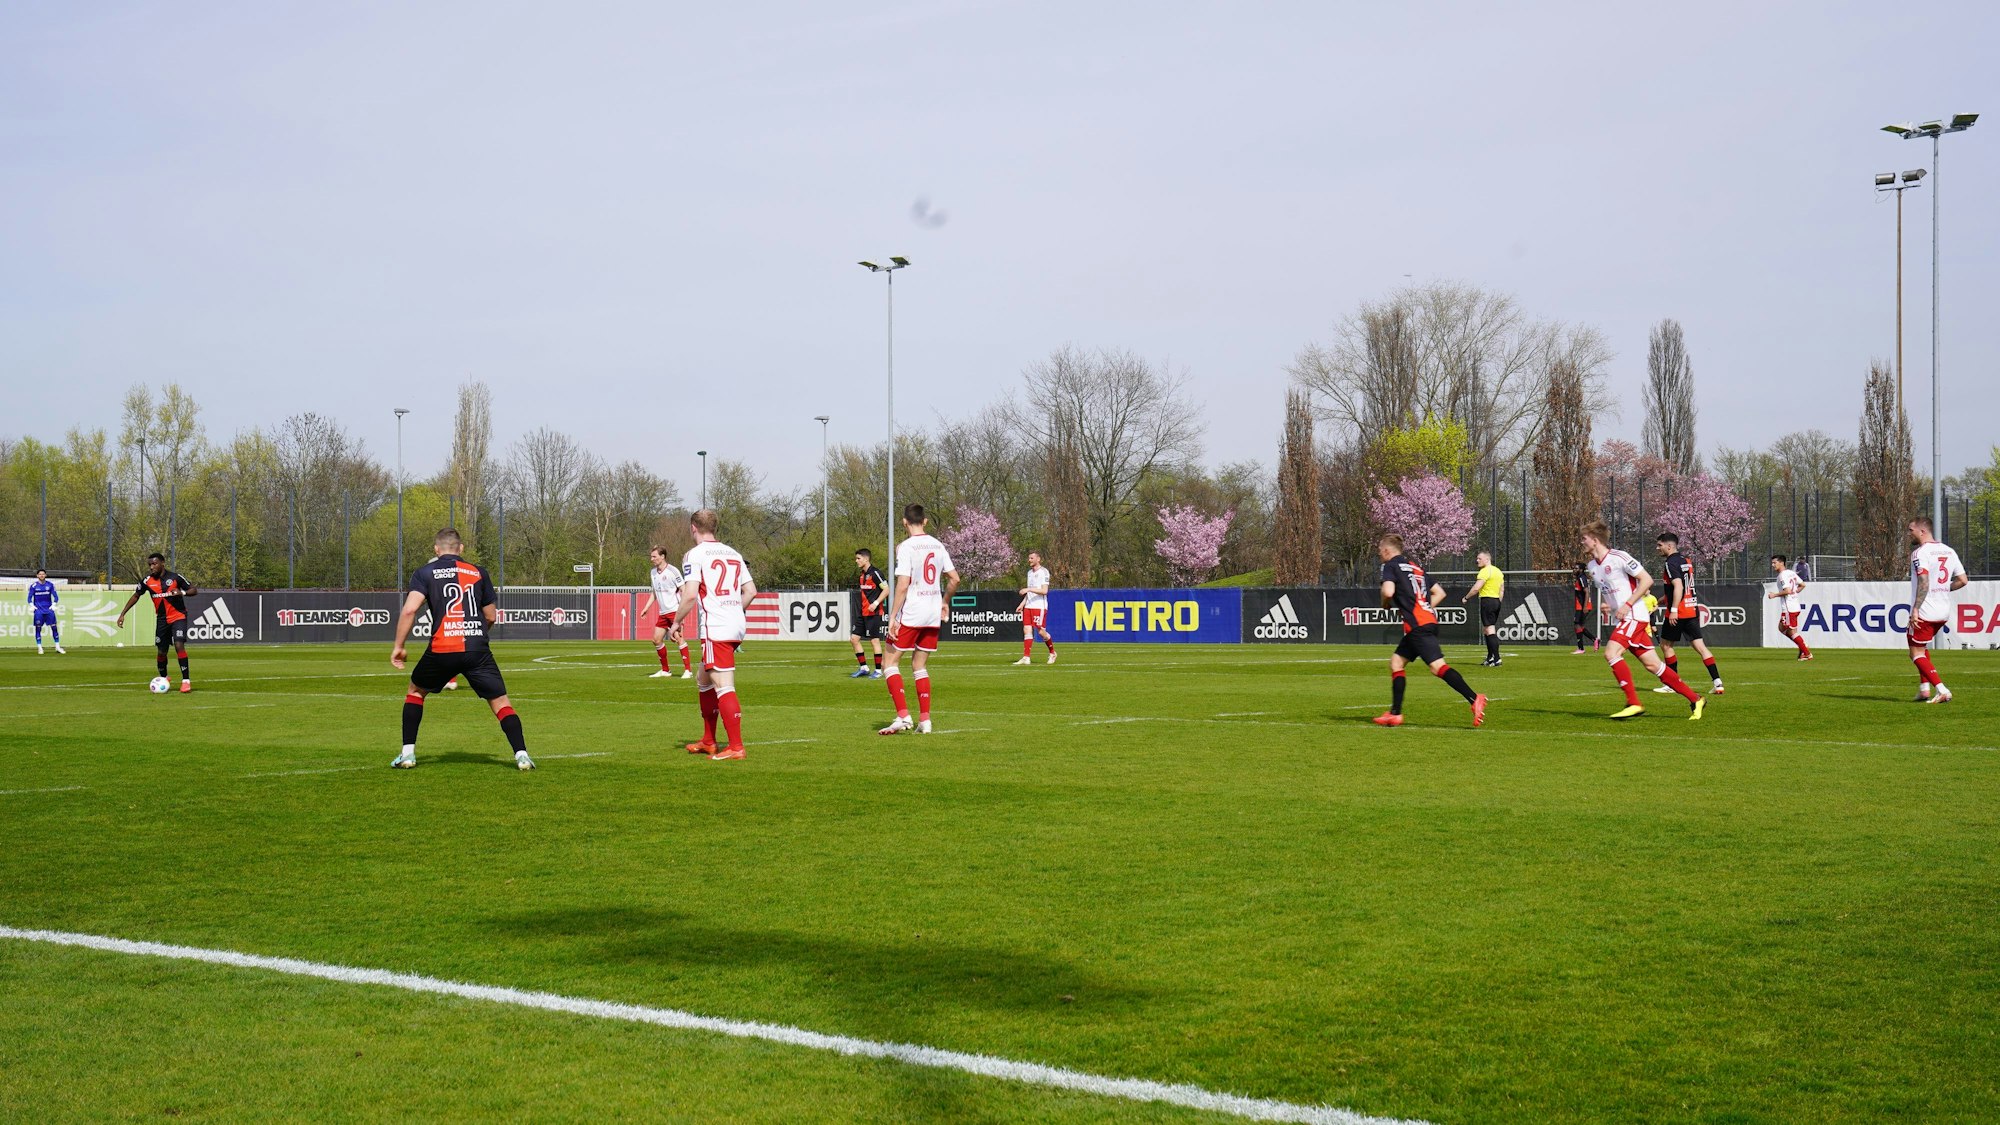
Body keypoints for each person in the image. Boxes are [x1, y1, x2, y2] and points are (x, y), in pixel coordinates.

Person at [389, 529, 533, 770]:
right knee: (500, 702)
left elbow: (409, 611)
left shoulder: (425, 573)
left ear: (436, 550)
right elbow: (490, 616)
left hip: (442, 648)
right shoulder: (478, 572)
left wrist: (399, 647)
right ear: (461, 548)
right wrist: (477, 635)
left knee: (415, 692)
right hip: (477, 648)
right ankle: (522, 756)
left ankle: (407, 754)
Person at [1581, 521, 1705, 720]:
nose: (1582, 542)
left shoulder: (1619, 557)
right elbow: (1606, 589)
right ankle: (1696, 699)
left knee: (1611, 652)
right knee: (1654, 666)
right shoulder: (1592, 566)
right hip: (1623, 618)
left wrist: (1627, 604)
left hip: (1634, 615)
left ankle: (1634, 702)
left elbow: (1646, 580)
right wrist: (1607, 604)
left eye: (1584, 538)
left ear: (1595, 540)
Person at [1372, 535, 1487, 728]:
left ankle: (1475, 698)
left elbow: (1388, 592)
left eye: (1379, 551)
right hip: (1426, 622)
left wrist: (1385, 604)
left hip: (1419, 626)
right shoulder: (1415, 567)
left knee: (1437, 667)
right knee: (1396, 662)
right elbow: (1440, 593)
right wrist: (1424, 607)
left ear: (1386, 551)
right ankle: (1395, 714)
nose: (1379, 555)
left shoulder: (1390, 566)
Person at [674, 509, 757, 760]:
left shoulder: (694, 554)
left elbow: (689, 594)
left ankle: (736, 747)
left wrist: (675, 622)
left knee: (724, 685)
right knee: (703, 679)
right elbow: (751, 591)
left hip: (716, 627)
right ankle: (709, 741)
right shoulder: (734, 553)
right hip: (734, 624)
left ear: (693, 528)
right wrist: (733, 610)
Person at [879, 504, 960, 735]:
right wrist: (945, 601)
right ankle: (925, 720)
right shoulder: (938, 544)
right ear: (925, 521)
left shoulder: (905, 547)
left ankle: (903, 716)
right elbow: (954, 579)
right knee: (919, 666)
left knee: (889, 663)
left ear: (904, 522)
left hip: (913, 612)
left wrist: (892, 617)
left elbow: (903, 585)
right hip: (933, 612)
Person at [1653, 533, 1724, 694]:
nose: (1658, 548)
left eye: (1659, 545)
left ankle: (1672, 684)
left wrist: (1673, 610)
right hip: (1692, 609)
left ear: (1669, 546)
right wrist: (1662, 600)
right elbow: (1683, 587)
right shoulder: (1686, 560)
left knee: (1665, 645)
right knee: (1701, 647)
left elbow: (1678, 586)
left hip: (1679, 612)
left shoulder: (1670, 563)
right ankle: (1718, 683)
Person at [1907, 516, 1967, 704]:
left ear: (1922, 531)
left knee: (1915, 653)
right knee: (1920, 648)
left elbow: (1924, 581)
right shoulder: (1949, 551)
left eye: (1911, 530)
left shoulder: (1920, 553)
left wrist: (1916, 608)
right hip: (1943, 610)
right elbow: (1963, 580)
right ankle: (1924, 689)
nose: (1909, 533)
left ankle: (1941, 690)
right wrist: (1942, 589)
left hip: (1926, 610)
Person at [116, 553, 196, 692]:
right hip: (162, 619)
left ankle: (186, 681)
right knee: (161, 652)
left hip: (178, 616)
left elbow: (193, 590)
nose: (152, 567)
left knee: (178, 644)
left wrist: (182, 593)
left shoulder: (175, 577)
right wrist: (123, 614)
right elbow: (136, 596)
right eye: (150, 565)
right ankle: (164, 678)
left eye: (154, 564)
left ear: (162, 563)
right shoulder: (147, 581)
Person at [646, 546, 694, 680]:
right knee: (656, 639)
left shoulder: (673, 571)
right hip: (663, 613)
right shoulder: (653, 573)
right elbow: (655, 592)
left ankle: (688, 670)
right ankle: (665, 670)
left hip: (674, 611)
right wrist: (646, 607)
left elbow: (684, 589)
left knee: (678, 638)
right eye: (651, 556)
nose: (652, 559)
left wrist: (682, 612)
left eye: (654, 556)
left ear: (662, 556)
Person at [1459, 550, 1504, 666]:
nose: (1477, 560)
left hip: (1487, 601)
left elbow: (1476, 588)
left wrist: (1466, 597)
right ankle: (1490, 657)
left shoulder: (1484, 571)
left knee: (1490, 629)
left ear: (1487, 559)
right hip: (1496, 601)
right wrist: (1498, 602)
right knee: (1487, 629)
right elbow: (1502, 589)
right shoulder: (1498, 571)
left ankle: (1497, 658)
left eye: (1479, 558)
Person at [1013, 550, 1057, 666]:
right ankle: (1026, 657)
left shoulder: (1044, 572)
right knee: (1027, 629)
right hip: (1028, 605)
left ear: (1038, 559)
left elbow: (1044, 591)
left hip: (1039, 606)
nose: (1029, 560)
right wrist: (1022, 604)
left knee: (1041, 632)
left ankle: (1052, 653)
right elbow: (1030, 592)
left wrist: (1028, 589)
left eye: (1032, 558)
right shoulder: (1029, 573)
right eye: (1029, 558)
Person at [849, 549, 887, 679]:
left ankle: (878, 671)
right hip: (862, 612)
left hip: (873, 613)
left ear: (866, 559)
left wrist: (876, 603)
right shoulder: (862, 575)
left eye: (858, 558)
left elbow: (886, 590)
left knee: (874, 641)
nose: (856, 561)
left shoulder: (875, 573)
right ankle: (864, 668)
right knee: (854, 639)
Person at [1768, 554, 1812, 660]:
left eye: (1775, 563)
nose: (1772, 565)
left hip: (1788, 608)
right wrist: (1795, 593)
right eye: (1772, 563)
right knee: (1782, 628)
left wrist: (1774, 595)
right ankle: (1802, 647)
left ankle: (1806, 652)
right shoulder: (1791, 573)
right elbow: (1802, 585)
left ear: (1782, 563)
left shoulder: (1782, 575)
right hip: (1795, 606)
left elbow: (1787, 591)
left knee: (1790, 631)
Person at [27, 569, 63, 655]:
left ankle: (57, 647)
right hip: (38, 611)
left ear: (45, 575)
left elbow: (56, 597)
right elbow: (29, 598)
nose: (41, 575)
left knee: (54, 628)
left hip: (49, 610)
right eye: (40, 574)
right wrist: (32, 606)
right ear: (37, 576)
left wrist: (54, 605)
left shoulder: (50, 585)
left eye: (43, 574)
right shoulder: (33, 586)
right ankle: (40, 648)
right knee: (38, 629)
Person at [1570, 561, 1595, 654]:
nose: (1574, 570)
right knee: (1579, 626)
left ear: (1581, 570)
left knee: (1577, 625)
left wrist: (1585, 606)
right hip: (1580, 605)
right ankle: (1594, 639)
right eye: (1574, 568)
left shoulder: (1582, 578)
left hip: (1582, 606)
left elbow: (1587, 592)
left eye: (1576, 568)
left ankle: (1581, 648)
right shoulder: (1579, 578)